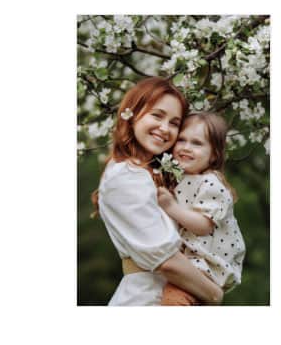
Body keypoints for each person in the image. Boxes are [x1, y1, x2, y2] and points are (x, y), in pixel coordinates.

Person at [92, 78, 224, 306]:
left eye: (174, 123)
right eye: (157, 115)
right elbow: (166, 261)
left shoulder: (151, 174)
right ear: (132, 114)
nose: (165, 128)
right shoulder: (125, 175)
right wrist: (215, 294)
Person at [156, 111, 245, 306]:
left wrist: (170, 206)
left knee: (173, 300)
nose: (186, 147)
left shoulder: (211, 183)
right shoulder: (179, 177)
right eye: (182, 140)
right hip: (192, 264)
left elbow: (203, 226)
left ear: (214, 155)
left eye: (197, 143)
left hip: (207, 266)